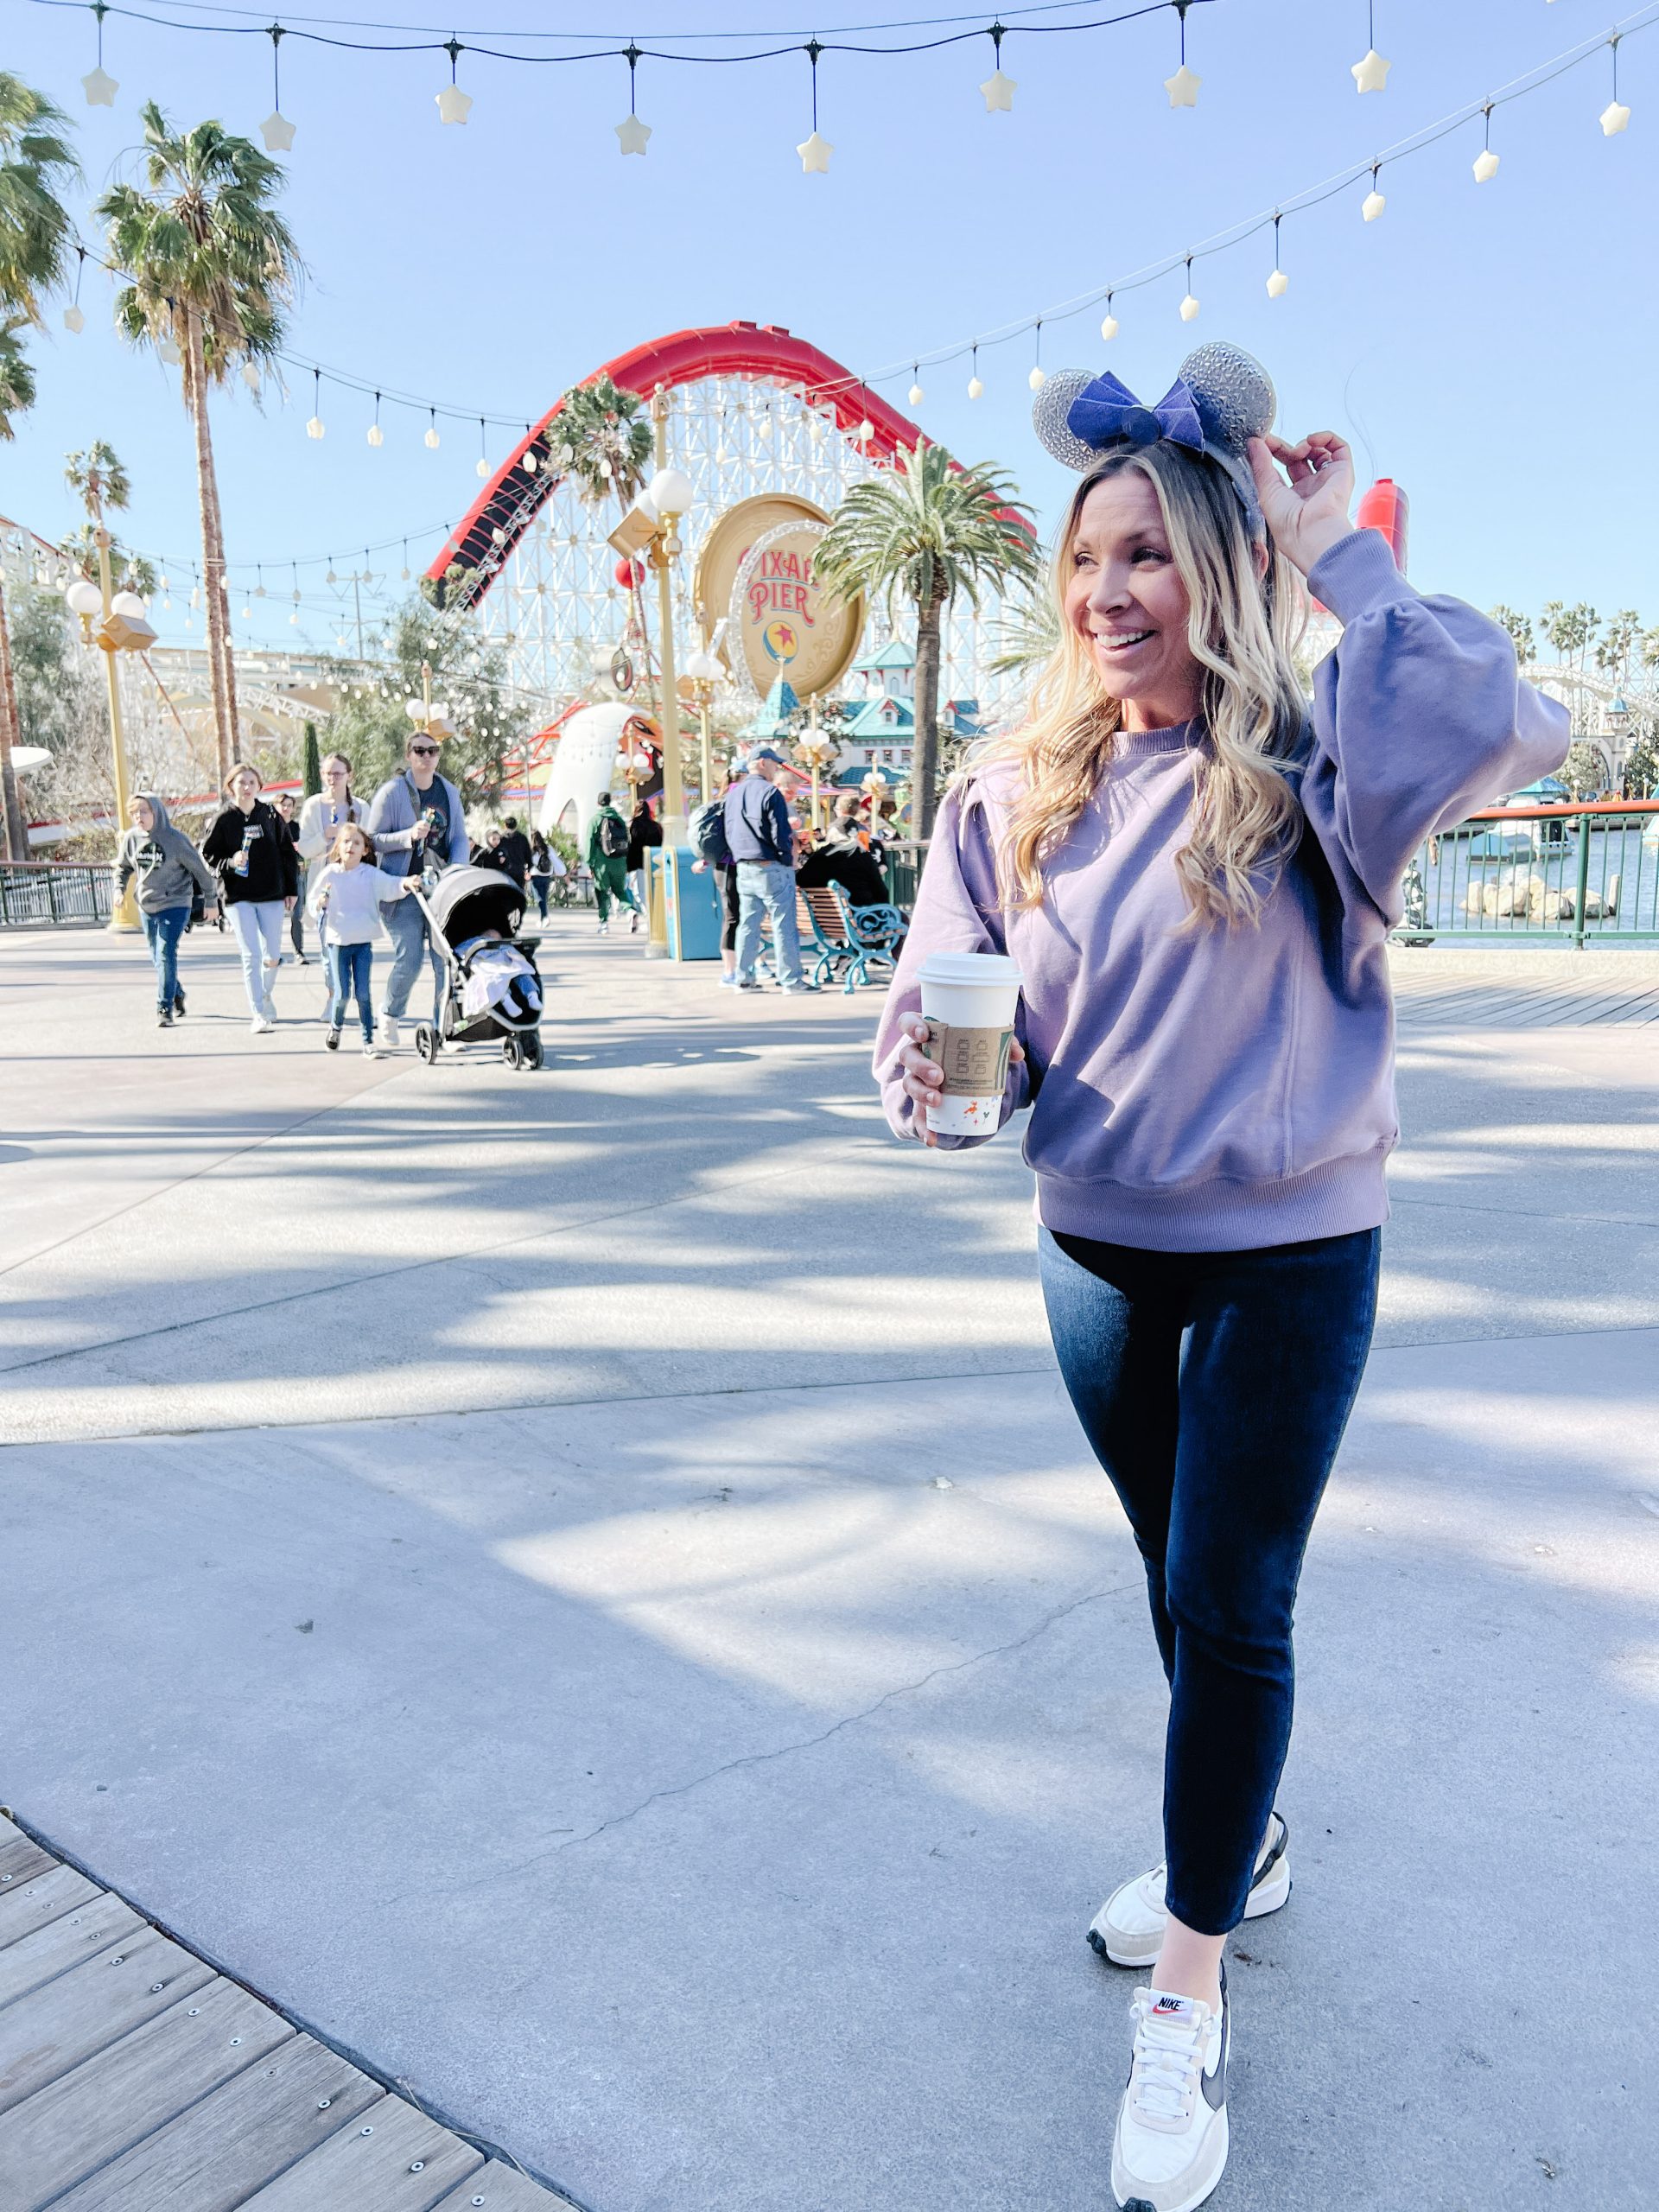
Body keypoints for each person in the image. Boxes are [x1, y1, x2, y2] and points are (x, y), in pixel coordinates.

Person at [874, 341, 1568, 2212]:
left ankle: (1184, 1994)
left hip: (1292, 1256)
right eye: (1088, 558)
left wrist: (1334, 543)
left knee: (1233, 1597)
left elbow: (1508, 712)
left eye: (1152, 555)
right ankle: (1239, 1845)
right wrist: (948, 1076)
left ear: (1216, 564)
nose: (1112, 593)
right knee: (1175, 1581)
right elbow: (951, 990)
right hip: (1091, 1250)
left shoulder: (1319, 752)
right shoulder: (1011, 784)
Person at [366, 730, 470, 1046]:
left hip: (441, 891)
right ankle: (391, 1011)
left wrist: (457, 871)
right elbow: (372, 839)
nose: (426, 756)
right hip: (404, 889)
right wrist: (407, 836)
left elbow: (459, 838)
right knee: (410, 959)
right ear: (408, 755)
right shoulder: (392, 792)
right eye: (419, 751)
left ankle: (445, 1027)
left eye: (432, 751)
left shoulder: (449, 791)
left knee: (445, 961)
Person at [203, 762, 299, 1033]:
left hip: (271, 893)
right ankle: (258, 1012)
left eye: (251, 782)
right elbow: (209, 855)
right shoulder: (223, 818)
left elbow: (287, 853)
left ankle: (265, 994)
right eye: (240, 782)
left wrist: (292, 889)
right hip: (237, 895)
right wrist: (231, 861)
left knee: (273, 956)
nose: (246, 787)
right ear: (231, 785)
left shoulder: (269, 814)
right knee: (251, 956)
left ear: (259, 786)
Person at [308, 820, 416, 1057]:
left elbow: (390, 885)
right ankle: (335, 1028)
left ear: (365, 850)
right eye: (346, 841)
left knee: (364, 994)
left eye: (357, 843)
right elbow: (313, 901)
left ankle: (368, 1041)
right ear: (338, 847)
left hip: (363, 943)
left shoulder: (370, 874)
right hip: (338, 942)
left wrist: (407, 883)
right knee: (343, 993)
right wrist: (319, 905)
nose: (351, 846)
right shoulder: (330, 875)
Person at [114, 791, 219, 1027]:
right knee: (158, 957)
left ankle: (164, 1007)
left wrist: (212, 902)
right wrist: (119, 890)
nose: (139, 817)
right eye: (134, 813)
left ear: (156, 812)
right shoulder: (131, 839)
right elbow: (122, 867)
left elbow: (201, 872)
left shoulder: (175, 840)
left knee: (164, 953)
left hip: (176, 904)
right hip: (147, 905)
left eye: (144, 811)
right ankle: (177, 992)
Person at [725, 746, 815, 993]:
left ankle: (743, 978)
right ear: (763, 763)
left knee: (748, 924)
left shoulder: (734, 794)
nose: (776, 768)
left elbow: (729, 829)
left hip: (744, 865)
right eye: (774, 764)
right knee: (783, 924)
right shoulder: (770, 793)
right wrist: (788, 858)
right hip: (771, 865)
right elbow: (780, 833)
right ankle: (791, 980)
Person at [691, 762, 742, 987]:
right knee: (736, 918)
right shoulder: (737, 801)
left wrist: (706, 859)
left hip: (722, 866)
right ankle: (730, 971)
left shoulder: (721, 801)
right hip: (734, 865)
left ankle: (734, 969)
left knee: (733, 917)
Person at [796, 794, 892, 909]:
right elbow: (881, 891)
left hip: (829, 916)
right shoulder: (862, 854)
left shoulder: (822, 856)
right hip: (861, 916)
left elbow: (801, 880)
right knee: (901, 919)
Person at [585, 791, 640, 938]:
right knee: (620, 891)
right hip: (620, 862)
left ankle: (603, 924)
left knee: (602, 892)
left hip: (602, 863)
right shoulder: (619, 820)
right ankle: (630, 911)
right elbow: (627, 841)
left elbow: (589, 843)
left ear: (598, 804)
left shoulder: (596, 820)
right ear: (610, 802)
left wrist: (589, 863)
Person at [276, 792, 309, 964]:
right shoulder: (270, 827)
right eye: (282, 804)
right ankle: (273, 953)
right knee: (273, 916)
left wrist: (300, 850)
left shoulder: (297, 829)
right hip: (275, 876)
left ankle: (298, 951)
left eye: (289, 805)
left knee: (297, 915)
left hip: (296, 875)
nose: (286, 808)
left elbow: (306, 850)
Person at [626, 793, 663, 930]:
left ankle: (650, 917)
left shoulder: (634, 825)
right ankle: (650, 916)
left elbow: (632, 846)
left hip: (638, 864)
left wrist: (628, 866)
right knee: (651, 890)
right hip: (654, 863)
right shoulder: (656, 826)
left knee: (638, 892)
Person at [498, 814, 532, 889]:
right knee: (519, 894)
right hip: (520, 872)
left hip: (506, 873)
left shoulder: (502, 839)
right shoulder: (523, 838)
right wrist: (528, 870)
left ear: (505, 826)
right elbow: (528, 856)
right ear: (516, 826)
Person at [529, 831, 555, 919]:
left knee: (539, 898)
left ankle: (545, 915)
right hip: (547, 876)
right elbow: (554, 860)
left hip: (535, 876)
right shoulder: (548, 848)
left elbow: (530, 864)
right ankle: (543, 917)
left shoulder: (532, 850)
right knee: (544, 897)